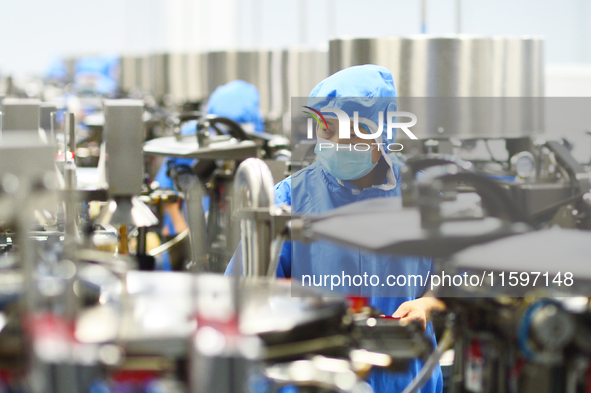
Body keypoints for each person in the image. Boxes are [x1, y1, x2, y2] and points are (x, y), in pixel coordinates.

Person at [226, 65, 444, 393]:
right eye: (327, 132)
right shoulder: (290, 198)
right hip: (320, 378)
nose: (338, 144)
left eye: (353, 134)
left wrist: (428, 304)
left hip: (407, 378)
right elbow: (241, 291)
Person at [153, 80, 264, 266]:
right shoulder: (194, 138)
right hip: (191, 226)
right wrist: (184, 233)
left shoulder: (252, 143)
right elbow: (167, 187)